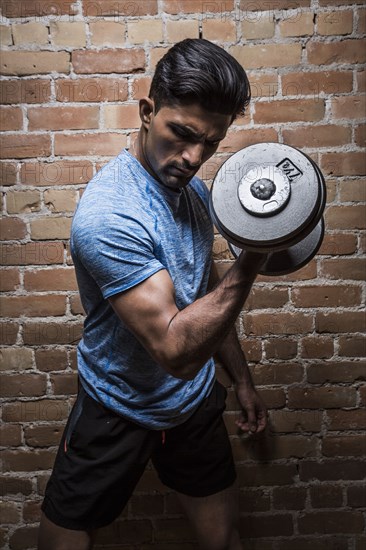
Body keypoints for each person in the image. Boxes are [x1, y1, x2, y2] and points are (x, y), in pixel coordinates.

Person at [38, 38, 268, 550]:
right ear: (147, 111)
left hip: (192, 402)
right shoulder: (109, 217)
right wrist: (255, 256)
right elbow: (175, 352)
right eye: (182, 134)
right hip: (117, 402)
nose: (193, 157)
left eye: (209, 143)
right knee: (63, 542)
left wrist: (242, 380)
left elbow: (204, 289)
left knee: (224, 538)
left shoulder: (193, 191)